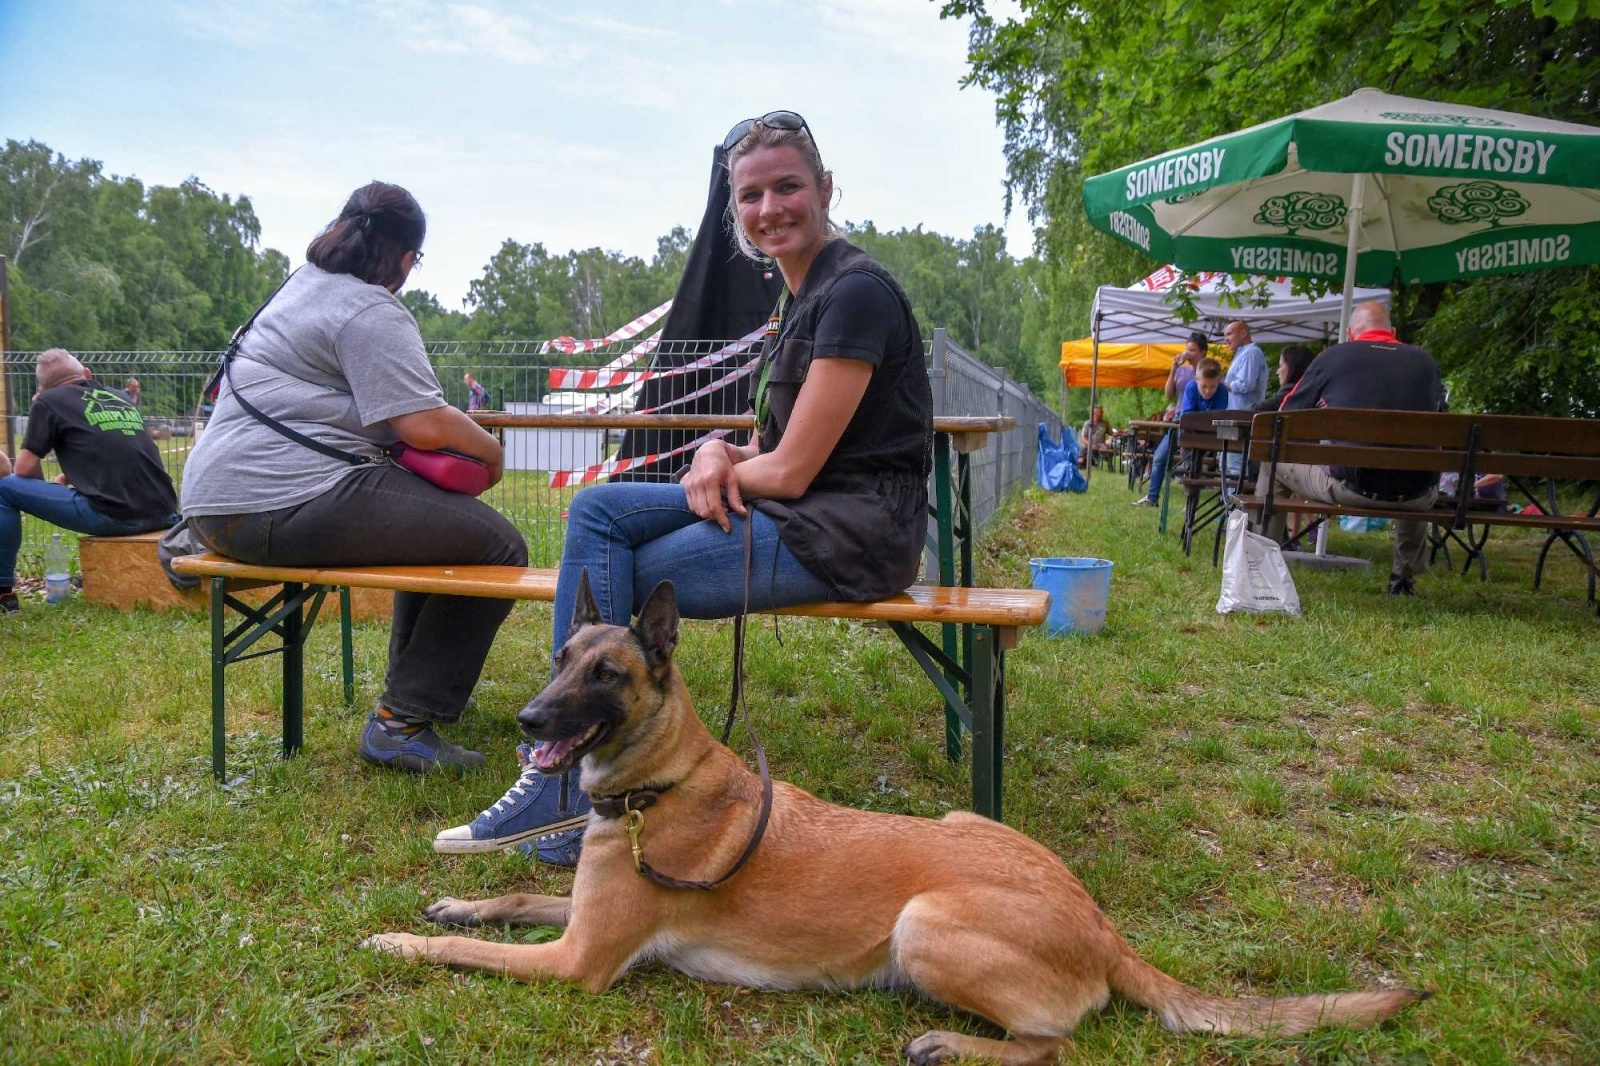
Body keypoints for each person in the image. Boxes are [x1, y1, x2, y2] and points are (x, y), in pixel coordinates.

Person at [434, 111, 934, 867]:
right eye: (752, 195)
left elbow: (794, 469)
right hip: (802, 512)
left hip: (849, 533)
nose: (770, 209)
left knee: (615, 559)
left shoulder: (856, 293)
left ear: (826, 188)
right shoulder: (798, 298)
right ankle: (583, 767)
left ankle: (566, 783)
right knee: (600, 510)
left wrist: (724, 465)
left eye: (788, 187)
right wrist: (720, 448)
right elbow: (770, 443)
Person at [181, 181, 524, 769]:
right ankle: (401, 722)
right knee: (498, 545)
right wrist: (491, 454)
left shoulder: (297, 289)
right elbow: (420, 422)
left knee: (444, 536)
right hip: (286, 498)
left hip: (212, 507)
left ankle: (410, 697)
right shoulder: (368, 307)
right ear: (409, 257)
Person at [1265, 301, 1445, 595]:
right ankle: (1403, 578)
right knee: (1416, 470)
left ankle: (1263, 561)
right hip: (1416, 496)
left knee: (1271, 463)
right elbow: (1443, 424)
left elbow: (1286, 416)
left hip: (1351, 486)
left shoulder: (1333, 357)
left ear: (1350, 333)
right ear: (1393, 332)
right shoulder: (1425, 362)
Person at [0, 350, 179, 616]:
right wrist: (62, 480)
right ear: (87, 375)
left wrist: (43, 490)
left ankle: (3, 593)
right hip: (165, 513)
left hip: (114, 516)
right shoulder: (120, 398)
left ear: (43, 388)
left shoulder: (48, 401)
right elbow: (105, 446)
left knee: (5, 489)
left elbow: (24, 469)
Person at [1132, 355, 1229, 507]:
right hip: (1182, 428)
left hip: (1206, 434)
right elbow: (1187, 417)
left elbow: (1219, 416)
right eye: (1204, 386)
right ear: (1197, 379)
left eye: (1212, 387)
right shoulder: (1191, 387)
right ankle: (1152, 498)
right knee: (1159, 458)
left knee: (1195, 465)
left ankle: (1191, 503)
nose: (1208, 391)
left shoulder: (1222, 391)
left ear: (1219, 381)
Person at [1221, 321, 1267, 474]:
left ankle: (1233, 497)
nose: (1226, 338)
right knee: (1224, 460)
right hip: (1231, 415)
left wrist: (1220, 383)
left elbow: (1245, 385)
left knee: (1234, 462)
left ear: (1243, 334)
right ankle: (1225, 497)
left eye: (1229, 334)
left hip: (1241, 416)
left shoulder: (1251, 353)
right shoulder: (1242, 353)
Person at [1258, 344, 1315, 412]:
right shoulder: (1317, 397)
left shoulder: (1287, 398)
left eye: (1281, 366)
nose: (1277, 372)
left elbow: (1251, 410)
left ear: (1293, 367)